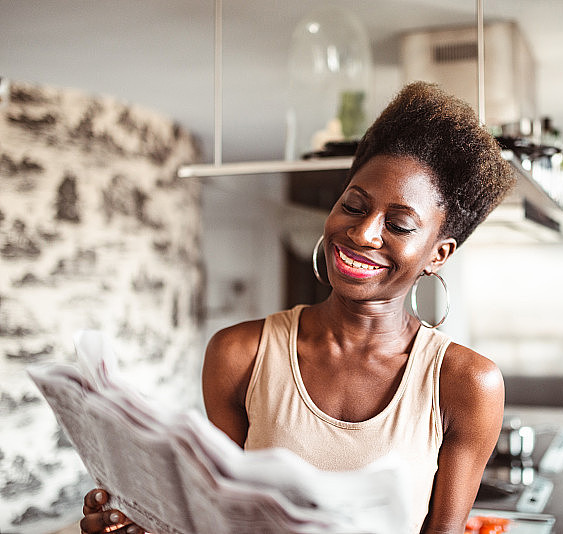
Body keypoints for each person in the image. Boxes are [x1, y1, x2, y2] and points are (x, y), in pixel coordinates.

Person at [80, 81, 516, 534]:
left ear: (438, 254)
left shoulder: (467, 384)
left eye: (399, 224)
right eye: (353, 205)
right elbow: (217, 524)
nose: (363, 233)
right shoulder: (239, 354)